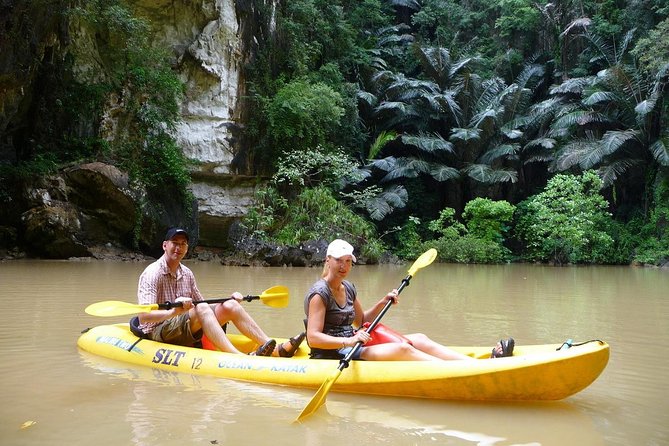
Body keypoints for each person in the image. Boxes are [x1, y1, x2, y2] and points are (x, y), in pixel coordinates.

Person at [304, 239, 514, 361]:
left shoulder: (348, 287)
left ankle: (480, 363)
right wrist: (348, 340)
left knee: (419, 338)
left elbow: (361, 321)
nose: (344, 266)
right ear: (328, 260)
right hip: (333, 353)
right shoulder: (319, 293)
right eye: (339, 261)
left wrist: (382, 302)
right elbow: (313, 338)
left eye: (348, 262)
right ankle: (466, 371)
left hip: (354, 342)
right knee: (402, 349)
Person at [136, 227, 305, 357]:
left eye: (183, 244)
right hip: (157, 331)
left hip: (183, 325)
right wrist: (173, 312)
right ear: (165, 245)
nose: (178, 248)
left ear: (187, 248)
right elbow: (143, 317)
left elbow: (203, 307)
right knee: (201, 308)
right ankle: (237, 357)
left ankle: (276, 349)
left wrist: (227, 301)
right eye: (175, 243)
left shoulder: (186, 273)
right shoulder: (152, 273)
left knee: (229, 305)